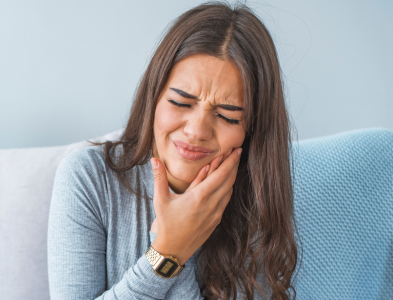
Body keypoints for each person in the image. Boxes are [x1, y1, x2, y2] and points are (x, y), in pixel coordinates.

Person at [47, 1, 298, 299]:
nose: (196, 131)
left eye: (228, 115)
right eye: (180, 102)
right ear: (154, 97)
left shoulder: (256, 198)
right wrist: (169, 251)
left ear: (251, 131)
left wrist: (183, 237)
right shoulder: (88, 178)